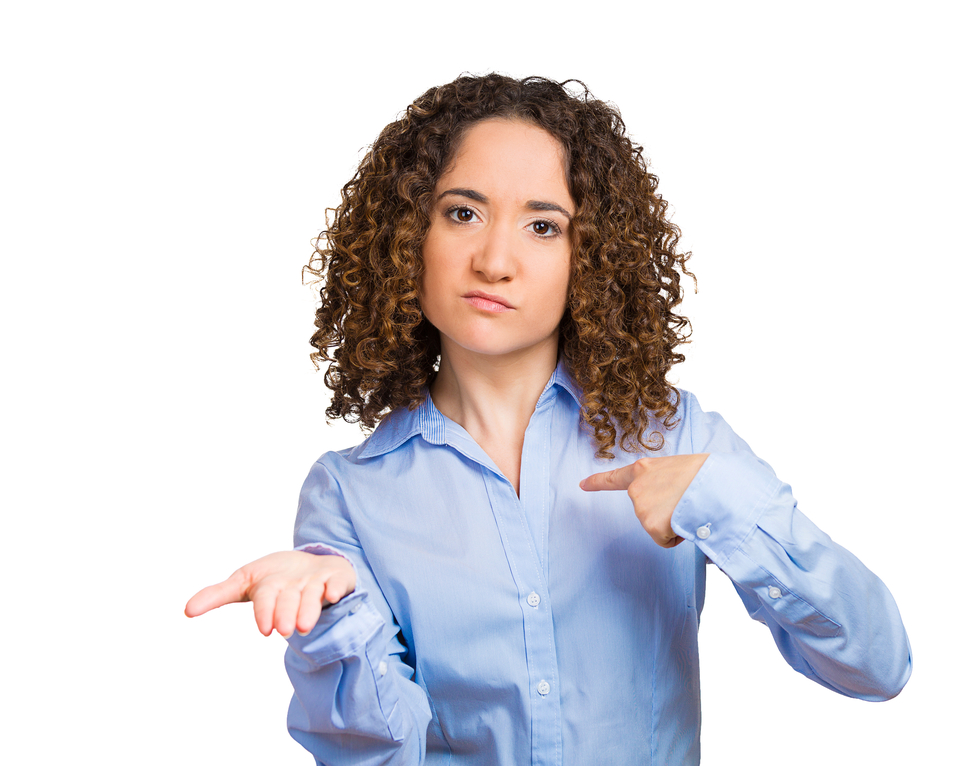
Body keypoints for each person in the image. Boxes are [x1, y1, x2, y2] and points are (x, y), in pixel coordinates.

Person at [185, 73, 911, 765]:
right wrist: (331, 621)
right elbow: (377, 752)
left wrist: (718, 502)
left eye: (542, 225)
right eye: (462, 213)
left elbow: (878, 663)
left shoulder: (675, 436)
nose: (494, 260)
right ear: (409, 236)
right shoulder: (350, 493)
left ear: (590, 256)